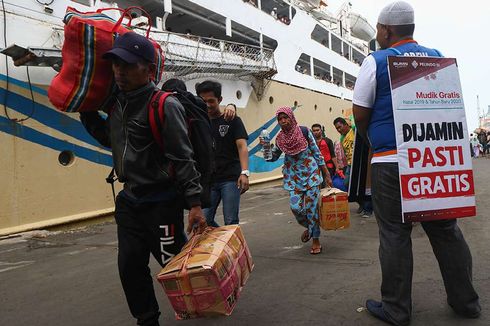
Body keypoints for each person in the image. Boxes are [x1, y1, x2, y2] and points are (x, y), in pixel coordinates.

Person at [352, 2, 481, 325]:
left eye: (379, 28)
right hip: (433, 159)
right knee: (446, 230)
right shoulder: (436, 57)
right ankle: (466, 302)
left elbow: (360, 113)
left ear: (386, 30)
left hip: (390, 162)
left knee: (394, 234)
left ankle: (397, 309)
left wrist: (374, 135)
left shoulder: (375, 61)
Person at [78, 32, 207, 326]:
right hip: (130, 200)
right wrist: (86, 113)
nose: (119, 71)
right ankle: (147, 319)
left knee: (173, 265)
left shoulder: (165, 105)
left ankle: (206, 299)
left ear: (148, 69)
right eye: (115, 65)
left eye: (127, 65)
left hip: (162, 201)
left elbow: (182, 157)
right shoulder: (116, 104)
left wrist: (196, 204)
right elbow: (111, 141)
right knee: (129, 265)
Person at [265, 107, 332, 254]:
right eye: (280, 119)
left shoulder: (305, 132)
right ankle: (309, 227)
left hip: (311, 175)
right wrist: (265, 148)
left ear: (291, 117)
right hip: (293, 178)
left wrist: (326, 174)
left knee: (311, 208)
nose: (283, 121)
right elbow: (273, 158)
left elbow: (317, 153)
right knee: (296, 208)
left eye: (285, 117)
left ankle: (315, 239)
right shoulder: (280, 139)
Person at [196, 80, 250, 227]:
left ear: (220, 100)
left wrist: (244, 172)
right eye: (203, 101)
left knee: (231, 221)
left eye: (211, 101)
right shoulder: (198, 122)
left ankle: (233, 248)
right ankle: (224, 243)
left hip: (230, 179)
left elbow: (242, 146)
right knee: (204, 222)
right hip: (209, 180)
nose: (207, 105)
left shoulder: (232, 120)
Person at [333, 117, 373, 218]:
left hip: (360, 162)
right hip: (350, 164)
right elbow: (344, 154)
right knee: (347, 184)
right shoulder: (342, 138)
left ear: (346, 124)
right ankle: (361, 203)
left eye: (340, 127)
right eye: (336, 128)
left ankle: (368, 209)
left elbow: (358, 122)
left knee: (364, 185)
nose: (339, 130)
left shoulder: (354, 131)